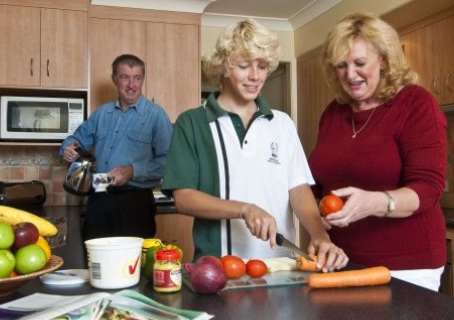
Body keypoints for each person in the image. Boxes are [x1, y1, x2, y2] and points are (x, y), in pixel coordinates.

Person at [161, 19, 348, 272]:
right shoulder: (192, 123)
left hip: (282, 266)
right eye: (244, 66)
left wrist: (320, 237)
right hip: (219, 268)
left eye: (262, 66)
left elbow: (298, 189)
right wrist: (244, 209)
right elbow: (184, 199)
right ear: (225, 67)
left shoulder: (282, 123)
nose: (255, 76)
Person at [308, 13, 447, 291]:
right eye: (341, 65)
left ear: (383, 59)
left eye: (360, 63)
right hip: (342, 260)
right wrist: (317, 220)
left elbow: (428, 189)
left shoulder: (415, 104)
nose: (350, 74)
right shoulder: (333, 113)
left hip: (407, 265)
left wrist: (374, 202)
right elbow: (319, 184)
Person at [60, 54, 173, 241]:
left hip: (135, 201)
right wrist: (68, 147)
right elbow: (75, 140)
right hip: (99, 193)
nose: (132, 85)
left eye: (137, 78)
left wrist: (132, 171)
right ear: (115, 79)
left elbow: (169, 162)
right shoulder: (101, 114)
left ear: (142, 80)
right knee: (95, 259)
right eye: (124, 77)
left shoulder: (156, 115)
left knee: (132, 265)